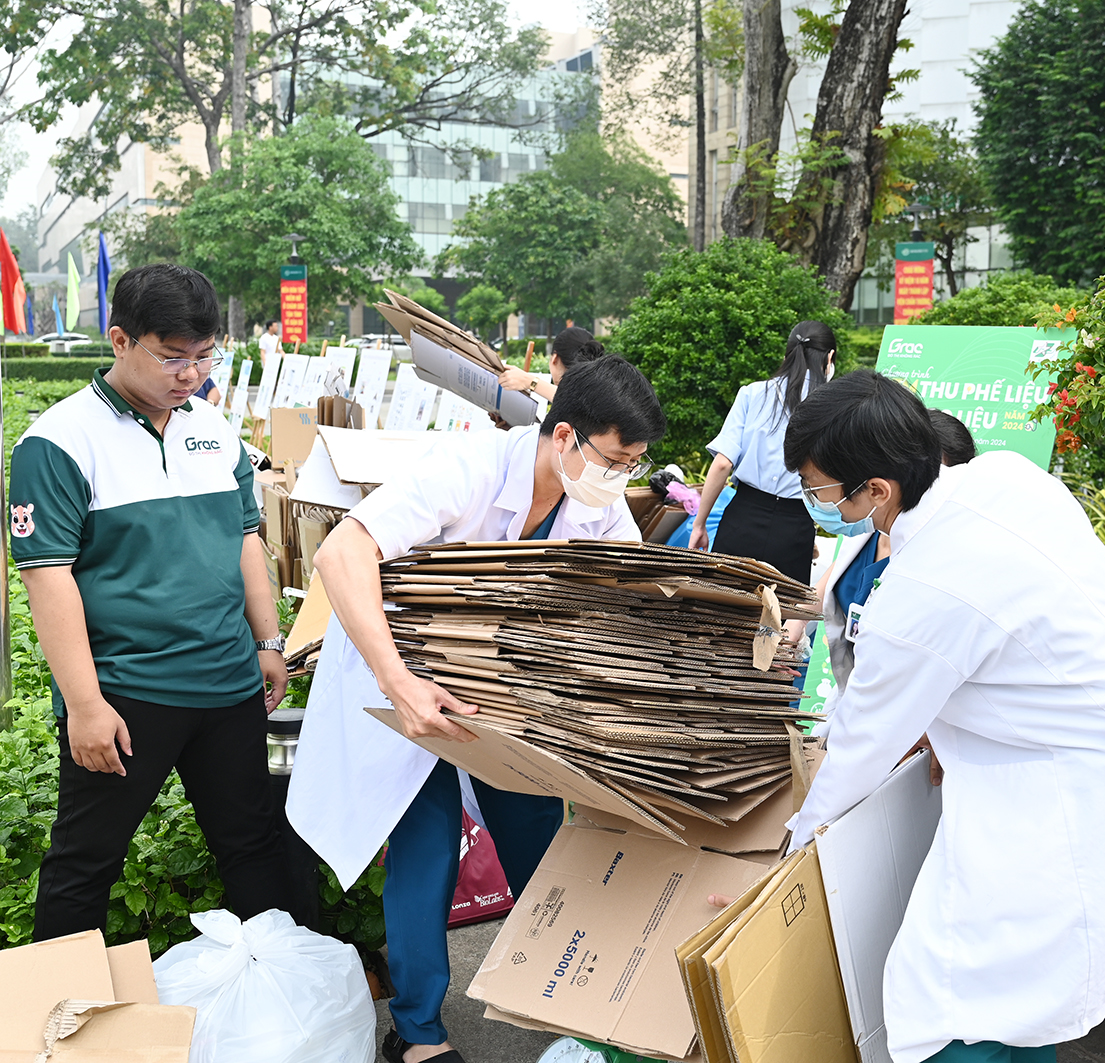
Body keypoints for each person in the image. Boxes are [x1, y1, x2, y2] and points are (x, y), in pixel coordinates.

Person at [782, 371, 1105, 1063]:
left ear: (877, 489)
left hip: (1096, 777)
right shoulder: (1004, 476)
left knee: (954, 984)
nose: (815, 502)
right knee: (1022, 989)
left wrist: (784, 860)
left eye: (819, 488)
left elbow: (858, 751)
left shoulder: (922, 588)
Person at [287, 355, 665, 1063]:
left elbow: (628, 599)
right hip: (400, 677)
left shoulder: (597, 500)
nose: (621, 479)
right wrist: (397, 680)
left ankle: (568, 993)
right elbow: (342, 553)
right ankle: (419, 1030)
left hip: (501, 691)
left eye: (634, 465)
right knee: (426, 846)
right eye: (615, 460)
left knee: (540, 835)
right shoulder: (464, 467)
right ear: (562, 438)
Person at [11, 264, 293, 942]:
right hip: (128, 694)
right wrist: (84, 705)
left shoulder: (215, 429)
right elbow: (48, 578)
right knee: (86, 864)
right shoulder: (57, 441)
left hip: (227, 685)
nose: (189, 373)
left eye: (203, 355)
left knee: (254, 845)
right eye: (171, 356)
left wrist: (268, 640)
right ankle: (55, 1026)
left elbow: (246, 540)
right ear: (119, 339)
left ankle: (290, 1001)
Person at [790, 409, 976, 723]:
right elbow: (823, 590)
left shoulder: (947, 562)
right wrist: (789, 633)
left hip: (906, 716)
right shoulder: (868, 527)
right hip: (850, 697)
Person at [689, 321, 835, 583]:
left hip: (743, 516)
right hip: (795, 527)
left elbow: (723, 464)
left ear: (787, 354)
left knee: (722, 609)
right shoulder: (832, 407)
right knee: (779, 618)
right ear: (830, 358)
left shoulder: (752, 393)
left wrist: (699, 524)